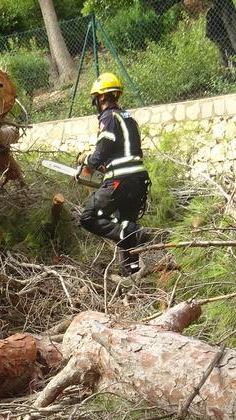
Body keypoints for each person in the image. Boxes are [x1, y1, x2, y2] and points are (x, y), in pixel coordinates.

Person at [77, 72, 151, 277]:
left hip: (121, 180)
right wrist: (104, 167)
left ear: (100, 97)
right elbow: (124, 152)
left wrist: (88, 163)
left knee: (88, 217)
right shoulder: (129, 118)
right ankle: (132, 274)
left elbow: (101, 150)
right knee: (125, 223)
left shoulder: (108, 117)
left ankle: (133, 232)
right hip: (138, 180)